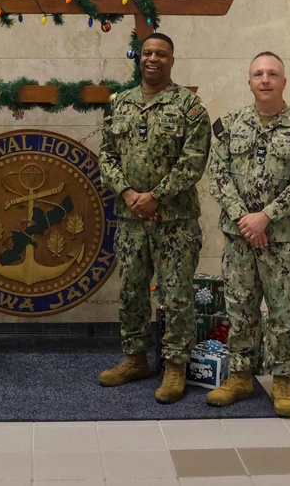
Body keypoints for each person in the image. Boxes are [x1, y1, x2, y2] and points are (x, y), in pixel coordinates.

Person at [206, 52, 290, 417]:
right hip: (239, 238)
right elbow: (218, 176)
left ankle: (282, 380)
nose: (266, 79)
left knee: (282, 312)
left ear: (284, 81)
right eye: (258, 73)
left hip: (283, 240)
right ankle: (240, 376)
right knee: (240, 308)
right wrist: (246, 219)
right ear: (249, 81)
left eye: (273, 73)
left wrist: (266, 217)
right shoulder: (229, 126)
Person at [97, 32, 211, 404]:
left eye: (161, 54)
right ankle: (135, 358)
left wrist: (156, 196)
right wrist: (130, 195)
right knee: (131, 290)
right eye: (147, 53)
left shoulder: (190, 107)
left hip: (174, 220)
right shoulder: (119, 104)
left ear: (172, 60)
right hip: (130, 219)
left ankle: (175, 365)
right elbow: (106, 156)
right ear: (139, 58)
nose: (153, 59)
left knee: (176, 294)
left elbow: (193, 161)